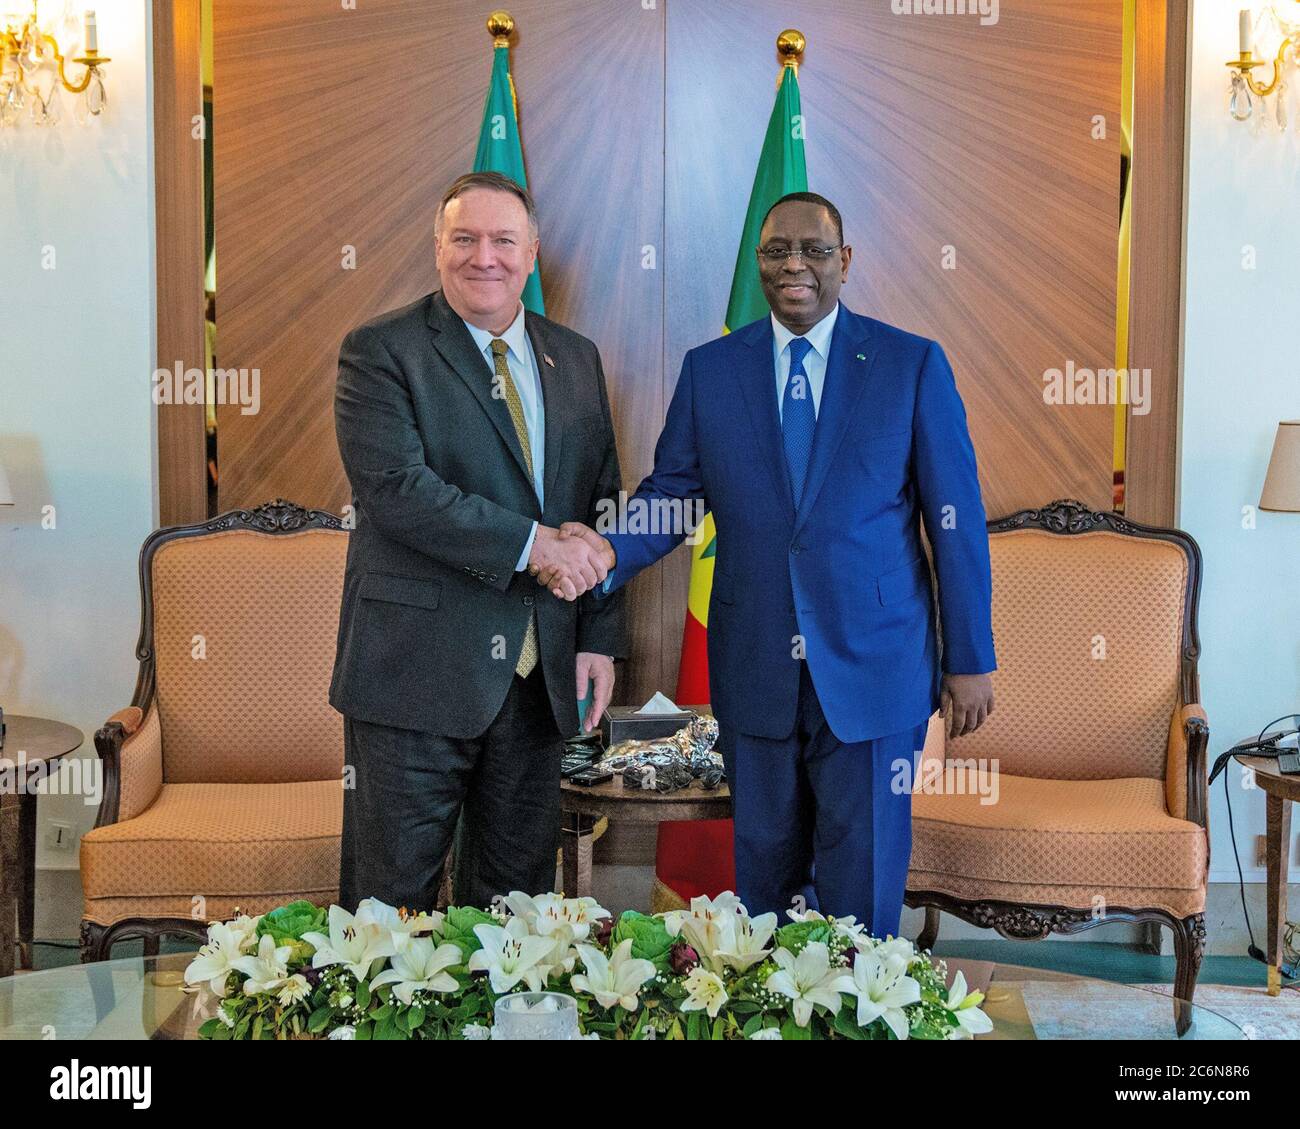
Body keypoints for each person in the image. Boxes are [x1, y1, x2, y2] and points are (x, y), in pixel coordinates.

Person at [555, 191, 995, 936]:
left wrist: (971, 658)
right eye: (776, 251)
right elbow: (673, 497)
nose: (795, 264)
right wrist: (603, 550)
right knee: (765, 886)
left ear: (844, 262)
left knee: (864, 888)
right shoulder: (712, 370)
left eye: (815, 250)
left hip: (874, 668)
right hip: (757, 665)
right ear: (759, 264)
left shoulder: (910, 364)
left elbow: (955, 522)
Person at [330, 171, 623, 913]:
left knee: (514, 918)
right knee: (386, 918)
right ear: (438, 249)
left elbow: (602, 504)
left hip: (538, 684)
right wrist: (537, 546)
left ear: (531, 253)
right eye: (464, 239)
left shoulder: (576, 357)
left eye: (502, 240)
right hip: (414, 680)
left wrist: (599, 637)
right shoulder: (380, 351)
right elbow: (398, 492)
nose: (482, 256)